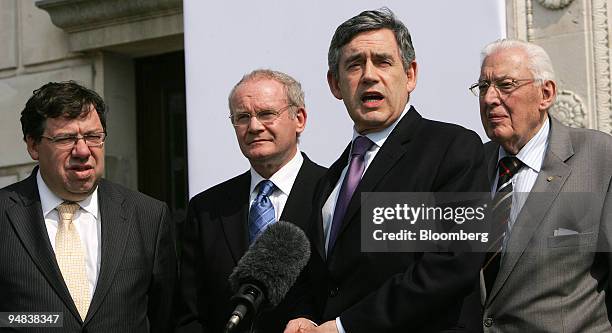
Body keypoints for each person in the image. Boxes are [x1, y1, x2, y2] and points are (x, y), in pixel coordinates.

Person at [285, 7, 489, 333]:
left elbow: (452, 264)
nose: (368, 75)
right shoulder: (331, 180)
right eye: (354, 65)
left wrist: (343, 327)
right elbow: (325, 278)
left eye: (383, 61)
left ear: (410, 75)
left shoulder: (453, 149)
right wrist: (306, 315)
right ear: (335, 84)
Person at [0, 81, 176, 332]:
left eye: (94, 137)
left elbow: (165, 318)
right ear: (33, 145)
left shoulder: (148, 216)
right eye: (66, 138)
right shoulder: (5, 215)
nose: (83, 151)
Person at [473, 39, 612, 332]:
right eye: (483, 87)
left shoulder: (598, 157)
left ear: (545, 94)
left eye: (505, 85)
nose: (489, 99)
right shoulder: (471, 165)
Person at [175, 69, 326, 332]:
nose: (254, 127)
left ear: (299, 118)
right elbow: (189, 312)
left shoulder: (333, 192)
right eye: (243, 117)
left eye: (267, 114)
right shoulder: (207, 208)